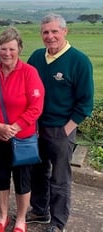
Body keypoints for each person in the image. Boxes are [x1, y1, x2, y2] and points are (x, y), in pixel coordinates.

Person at [27, 13, 94, 232]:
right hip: (37, 128)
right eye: (46, 32)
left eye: (55, 31)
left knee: (60, 178)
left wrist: (67, 129)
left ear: (65, 31)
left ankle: (58, 222)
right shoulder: (37, 57)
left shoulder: (79, 60)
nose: (50, 36)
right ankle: (40, 210)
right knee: (38, 172)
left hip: (61, 129)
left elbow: (86, 102)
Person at [0, 27, 45, 232]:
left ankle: (22, 219)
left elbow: (36, 106)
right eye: (3, 49)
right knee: (0, 177)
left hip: (22, 139)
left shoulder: (29, 73)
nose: (7, 53)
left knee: (23, 180)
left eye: (11, 49)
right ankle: (3, 215)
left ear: (19, 49)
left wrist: (13, 128)